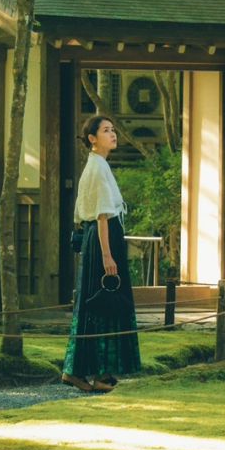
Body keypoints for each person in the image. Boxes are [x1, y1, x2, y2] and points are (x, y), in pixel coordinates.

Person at [63, 114, 141, 394]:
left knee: (100, 303)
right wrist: (108, 256)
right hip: (102, 241)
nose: (113, 134)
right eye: (106, 130)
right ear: (92, 139)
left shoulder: (99, 165)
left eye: (113, 130)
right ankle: (93, 373)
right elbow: (101, 217)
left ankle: (86, 371)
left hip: (104, 239)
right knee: (102, 303)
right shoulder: (96, 168)